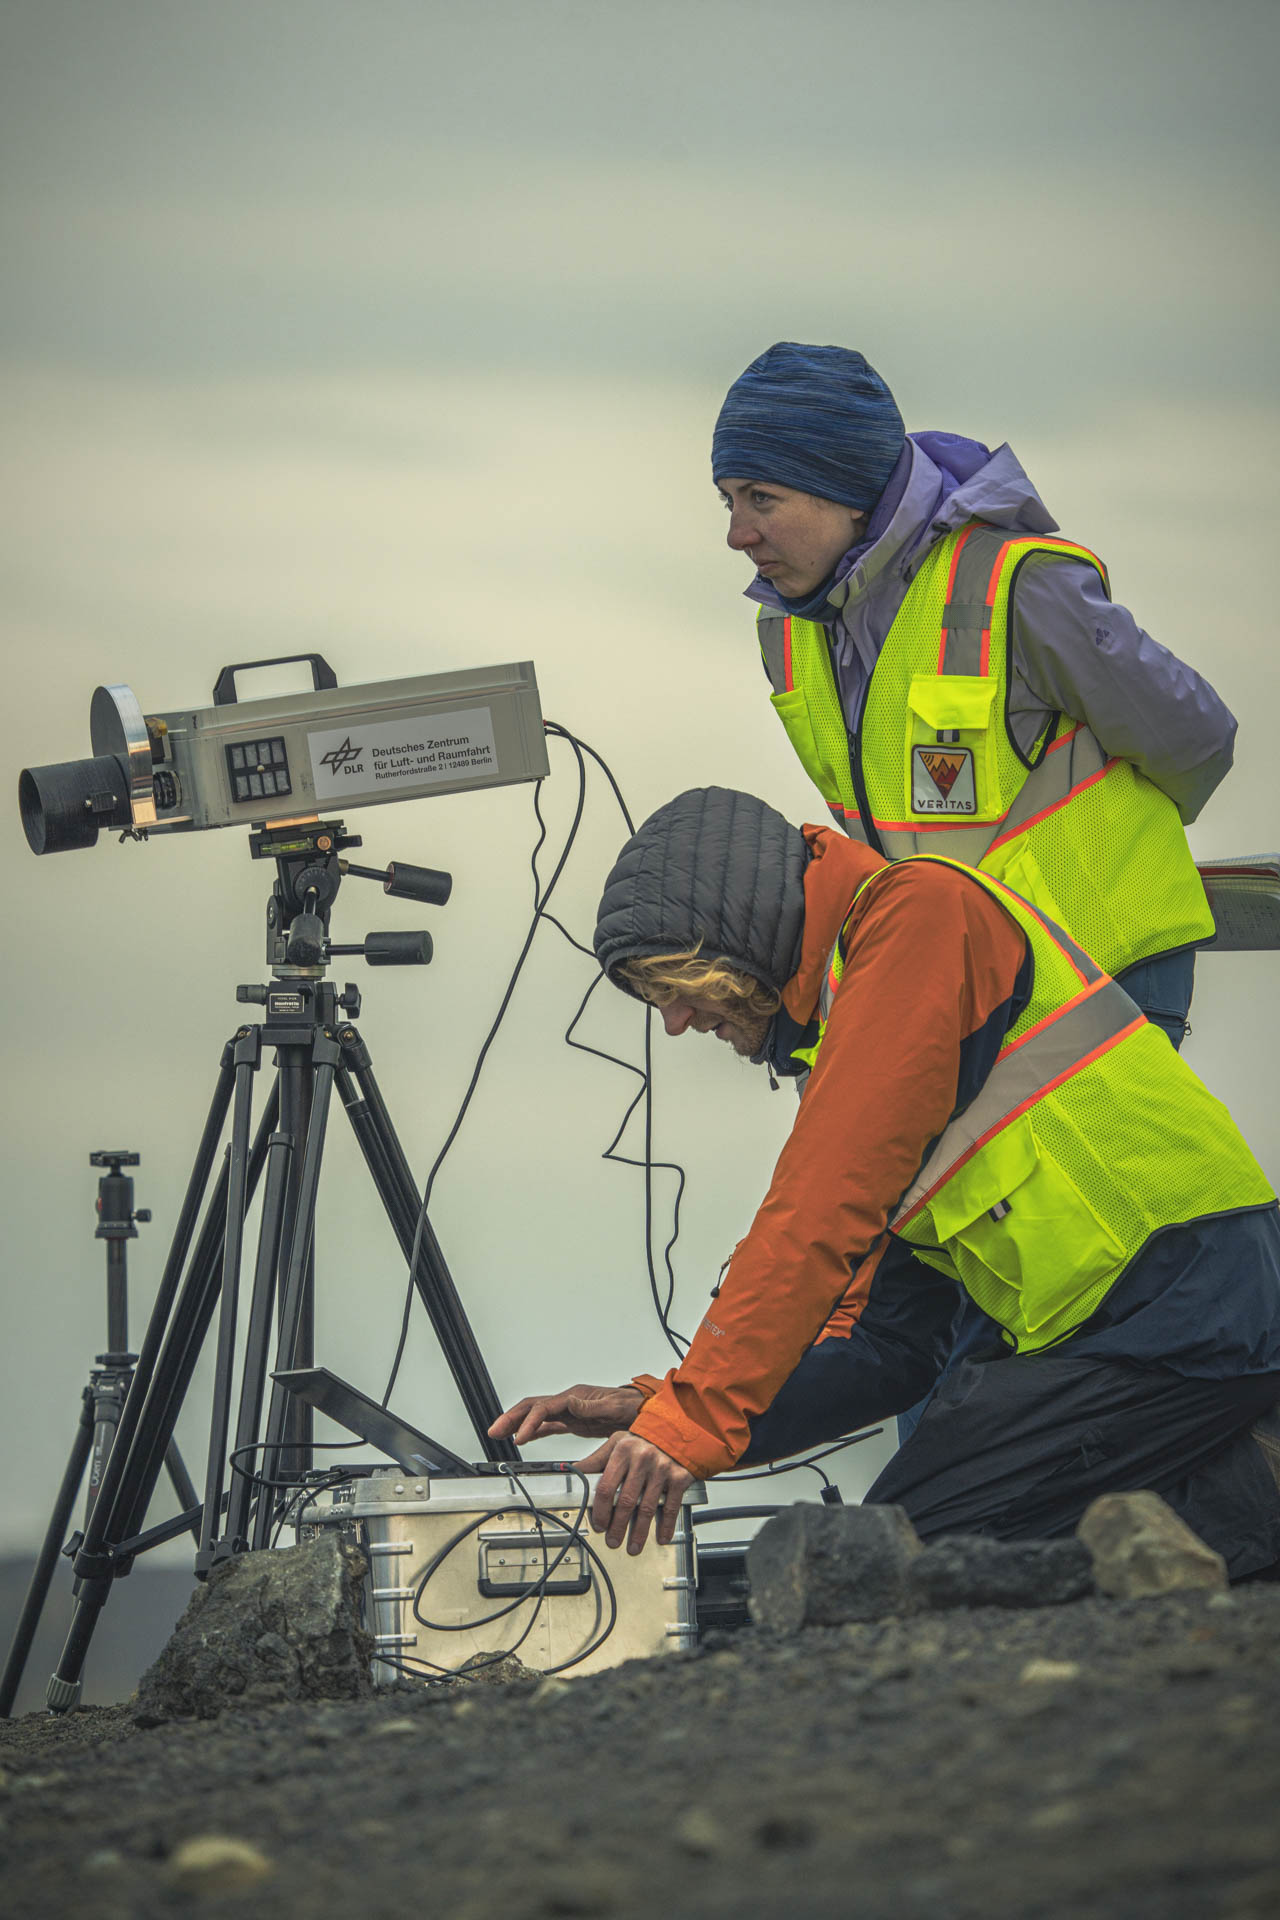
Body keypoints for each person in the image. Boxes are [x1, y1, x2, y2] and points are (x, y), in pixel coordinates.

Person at [489, 788, 1280, 1580]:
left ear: (743, 938)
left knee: (907, 1570)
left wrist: (692, 1420)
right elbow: (887, 1343)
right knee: (901, 1558)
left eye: (677, 986)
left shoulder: (920, 915)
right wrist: (658, 1406)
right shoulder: (851, 1023)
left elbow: (820, 1204)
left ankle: (1248, 1506)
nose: (676, 1023)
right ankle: (1239, 1503)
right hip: (1124, 1329)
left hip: (1187, 1303)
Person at [710, 340, 1237, 1051]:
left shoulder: (1014, 585)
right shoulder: (788, 630)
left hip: (1102, 973)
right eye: (729, 499)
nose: (737, 533)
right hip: (962, 987)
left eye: (761, 497)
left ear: (847, 488)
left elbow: (1195, 740)